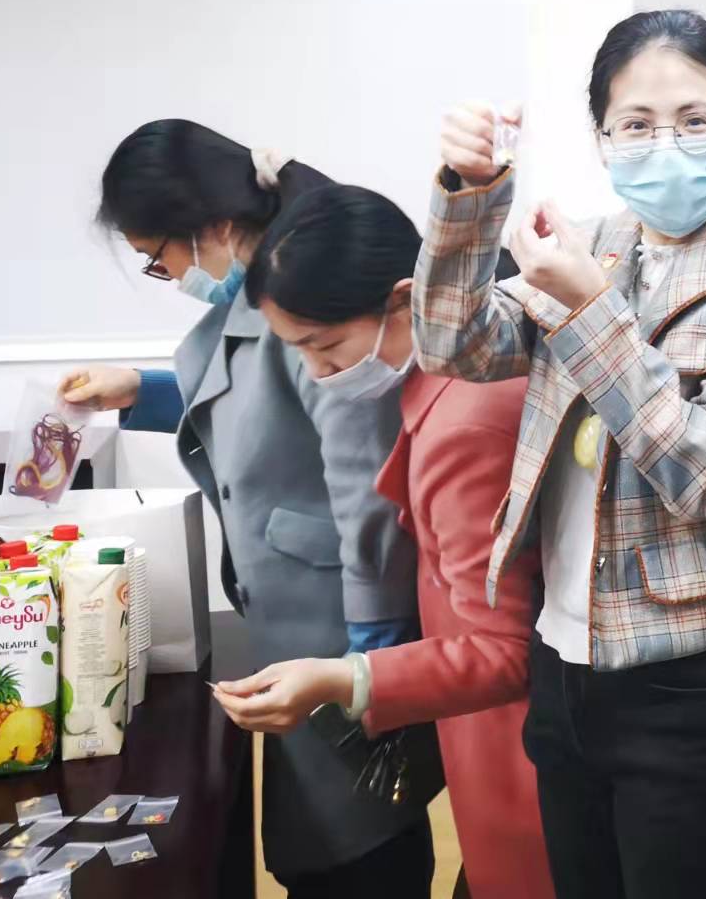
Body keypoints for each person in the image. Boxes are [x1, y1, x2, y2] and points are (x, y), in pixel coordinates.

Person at [413, 10, 706, 899]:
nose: (664, 145)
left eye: (694, 120)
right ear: (602, 140)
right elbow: (454, 342)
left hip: (700, 686)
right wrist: (471, 193)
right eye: (635, 124)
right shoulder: (592, 245)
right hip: (565, 664)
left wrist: (589, 308)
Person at [58, 120, 430, 898]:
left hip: (342, 617)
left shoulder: (307, 299)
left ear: (215, 226)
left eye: (159, 259)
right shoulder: (264, 302)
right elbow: (244, 399)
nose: (169, 277)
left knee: (358, 837)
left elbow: (368, 491)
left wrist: (371, 654)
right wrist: (138, 389)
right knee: (317, 832)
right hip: (300, 618)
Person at [210, 184, 555, 899]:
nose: (317, 374)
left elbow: (503, 649)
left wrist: (344, 677)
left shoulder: (463, 422)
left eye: (325, 346)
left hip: (520, 750)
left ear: (403, 299)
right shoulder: (448, 384)